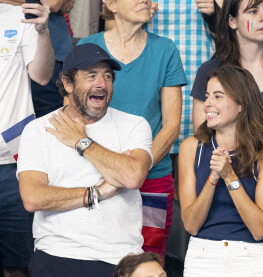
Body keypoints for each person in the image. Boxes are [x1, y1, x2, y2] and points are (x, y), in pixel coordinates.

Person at [17, 43, 153, 277]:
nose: (101, 83)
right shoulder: (38, 130)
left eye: (108, 76)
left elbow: (133, 176)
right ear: (68, 84)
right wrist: (97, 191)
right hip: (57, 256)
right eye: (91, 75)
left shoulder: (134, 125)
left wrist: (82, 142)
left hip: (120, 261)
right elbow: (33, 197)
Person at [192, 0, 263, 268]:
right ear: (231, 21)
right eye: (252, 11)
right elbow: (202, 138)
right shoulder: (211, 71)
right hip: (230, 189)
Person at [77, 0, 187, 258]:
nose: (146, 1)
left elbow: (171, 126)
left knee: (149, 261)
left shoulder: (165, 49)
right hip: (95, 175)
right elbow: (73, 117)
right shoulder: (87, 47)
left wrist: (135, 169)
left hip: (153, 178)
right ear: (111, 4)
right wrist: (113, 169)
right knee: (98, 257)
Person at [179, 65, 263, 277]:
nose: (207, 104)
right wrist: (213, 178)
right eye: (206, 97)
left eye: (218, 96)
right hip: (202, 262)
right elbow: (191, 225)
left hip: (252, 263)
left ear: (242, 104)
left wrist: (229, 176)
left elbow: (259, 228)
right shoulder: (190, 148)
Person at [0, 0, 54, 277]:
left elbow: (43, 76)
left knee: (20, 269)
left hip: (14, 164)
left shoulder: (17, 17)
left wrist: (43, 31)